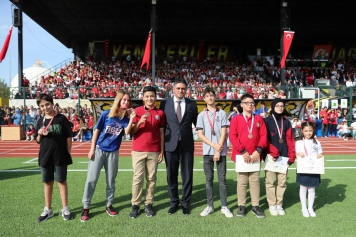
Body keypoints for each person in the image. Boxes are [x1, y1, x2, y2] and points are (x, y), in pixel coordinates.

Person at [80, 91, 135, 222]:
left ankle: (109, 205)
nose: (126, 102)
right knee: (91, 179)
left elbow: (127, 132)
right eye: (124, 100)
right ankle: (86, 206)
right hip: (99, 150)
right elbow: (96, 131)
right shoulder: (106, 114)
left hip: (113, 152)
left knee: (111, 181)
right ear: (119, 101)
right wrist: (92, 148)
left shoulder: (125, 119)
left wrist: (132, 117)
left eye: (128, 100)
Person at [159, 78, 198, 215]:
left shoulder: (192, 104)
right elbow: (161, 125)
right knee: (171, 175)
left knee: (187, 176)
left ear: (186, 90)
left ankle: (185, 203)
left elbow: (198, 124)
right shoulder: (164, 104)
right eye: (178, 88)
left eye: (183, 88)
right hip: (170, 144)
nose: (181, 91)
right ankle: (174, 202)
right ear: (173, 89)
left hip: (187, 144)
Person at [35, 93, 74, 222]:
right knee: (47, 182)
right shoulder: (40, 121)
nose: (45, 107)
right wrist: (40, 134)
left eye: (47, 104)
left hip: (60, 155)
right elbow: (38, 140)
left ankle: (65, 208)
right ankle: (48, 209)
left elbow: (69, 136)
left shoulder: (61, 118)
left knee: (61, 181)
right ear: (40, 108)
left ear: (52, 104)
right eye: (42, 106)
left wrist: (68, 151)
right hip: (45, 156)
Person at [196, 88, 233, 218]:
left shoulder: (222, 113)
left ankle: (224, 206)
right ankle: (210, 206)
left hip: (221, 152)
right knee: (209, 180)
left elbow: (224, 132)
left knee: (222, 180)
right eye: (207, 96)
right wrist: (214, 146)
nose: (210, 97)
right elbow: (200, 135)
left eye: (212, 95)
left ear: (215, 97)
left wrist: (218, 149)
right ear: (204, 99)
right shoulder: (201, 115)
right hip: (207, 152)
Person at [129, 86, 165, 218]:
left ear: (155, 97)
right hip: (138, 150)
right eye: (147, 96)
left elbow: (161, 133)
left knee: (152, 178)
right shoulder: (137, 111)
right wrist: (139, 123)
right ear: (143, 98)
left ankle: (149, 204)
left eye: (152, 96)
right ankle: (135, 205)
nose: (149, 99)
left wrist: (161, 151)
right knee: (137, 178)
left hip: (154, 151)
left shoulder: (160, 113)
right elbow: (131, 132)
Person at [229, 93, 267, 218]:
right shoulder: (236, 118)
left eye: (252, 103)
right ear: (241, 104)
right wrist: (243, 151)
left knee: (255, 181)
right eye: (247, 102)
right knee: (242, 181)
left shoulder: (259, 119)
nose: (250, 105)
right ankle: (241, 205)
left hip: (256, 155)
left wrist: (258, 150)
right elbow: (232, 137)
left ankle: (255, 206)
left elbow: (263, 136)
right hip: (241, 156)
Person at [264, 98, 296, 216]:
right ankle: (272, 204)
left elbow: (290, 140)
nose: (280, 108)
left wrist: (292, 155)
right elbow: (264, 139)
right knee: (270, 182)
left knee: (282, 182)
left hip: (283, 157)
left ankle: (279, 204)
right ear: (273, 107)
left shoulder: (286, 122)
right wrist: (272, 151)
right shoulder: (266, 121)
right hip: (271, 156)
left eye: (282, 106)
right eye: (277, 105)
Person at [295, 122, 323, 217]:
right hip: (303, 168)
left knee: (312, 188)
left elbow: (320, 153)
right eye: (306, 131)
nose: (308, 133)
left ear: (313, 131)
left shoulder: (317, 142)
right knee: (303, 188)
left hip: (314, 168)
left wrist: (319, 155)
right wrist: (299, 154)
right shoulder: (298, 143)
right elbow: (296, 154)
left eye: (310, 130)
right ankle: (304, 208)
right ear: (302, 131)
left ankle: (310, 208)